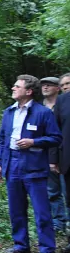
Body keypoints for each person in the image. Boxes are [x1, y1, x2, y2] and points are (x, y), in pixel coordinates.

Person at [0, 75, 62, 253]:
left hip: (34, 165)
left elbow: (56, 138)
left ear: (29, 91)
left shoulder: (42, 113)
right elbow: (2, 140)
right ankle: (21, 245)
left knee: (41, 209)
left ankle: (47, 248)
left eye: (17, 86)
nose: (13, 89)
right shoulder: (8, 112)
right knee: (16, 208)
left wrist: (34, 141)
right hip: (12, 163)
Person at [41, 77, 68, 237]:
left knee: (66, 192)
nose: (45, 87)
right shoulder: (38, 107)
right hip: (45, 155)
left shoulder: (64, 105)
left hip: (64, 154)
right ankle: (58, 223)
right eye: (43, 85)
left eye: (49, 85)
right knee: (52, 192)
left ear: (57, 88)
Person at [55, 76, 70, 253]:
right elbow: (56, 132)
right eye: (63, 85)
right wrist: (54, 160)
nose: (66, 87)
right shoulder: (62, 101)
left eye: (69, 83)